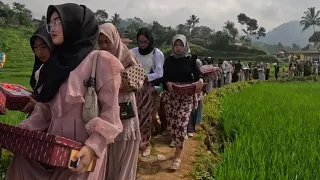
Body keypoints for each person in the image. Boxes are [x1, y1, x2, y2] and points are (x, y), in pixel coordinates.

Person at [5, 3, 123, 180]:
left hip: (82, 150)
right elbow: (45, 109)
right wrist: (22, 133)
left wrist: (93, 147)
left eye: (58, 22)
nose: (53, 28)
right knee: (21, 164)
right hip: (54, 148)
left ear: (75, 24)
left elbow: (110, 113)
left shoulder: (101, 62)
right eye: (50, 23)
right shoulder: (53, 65)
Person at [98, 23, 140, 180]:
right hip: (106, 110)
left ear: (115, 39)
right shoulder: (98, 59)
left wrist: (118, 81)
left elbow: (139, 80)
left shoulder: (127, 56)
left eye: (107, 42)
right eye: (100, 42)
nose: (104, 46)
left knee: (123, 150)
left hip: (125, 110)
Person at [162, 34, 203, 170]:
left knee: (181, 125)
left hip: (186, 97)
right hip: (171, 96)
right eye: (176, 45)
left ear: (185, 46)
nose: (178, 48)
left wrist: (200, 81)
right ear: (173, 46)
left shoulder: (191, 60)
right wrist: (167, 83)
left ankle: (177, 157)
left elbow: (198, 75)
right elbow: (164, 77)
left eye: (181, 45)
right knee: (173, 126)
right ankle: (176, 144)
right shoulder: (168, 61)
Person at [131, 27, 164, 157]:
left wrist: (146, 77)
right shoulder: (133, 52)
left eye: (145, 42)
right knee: (134, 116)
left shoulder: (157, 53)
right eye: (140, 42)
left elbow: (159, 73)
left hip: (148, 89)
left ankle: (145, 144)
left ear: (150, 41)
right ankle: (135, 143)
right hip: (134, 88)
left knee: (146, 117)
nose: (142, 44)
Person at [22, 24, 55, 114]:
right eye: (35, 47)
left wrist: (36, 105)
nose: (39, 52)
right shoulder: (41, 68)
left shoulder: (61, 72)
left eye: (44, 47)